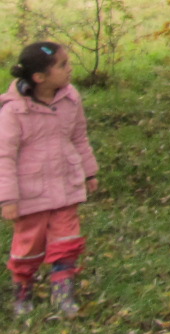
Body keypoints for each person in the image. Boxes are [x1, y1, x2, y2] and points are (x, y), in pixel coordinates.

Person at [1, 42, 99, 318]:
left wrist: (89, 172)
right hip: (30, 193)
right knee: (28, 247)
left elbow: (79, 136)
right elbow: (4, 156)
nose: (70, 69)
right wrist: (7, 198)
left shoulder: (70, 99)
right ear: (39, 78)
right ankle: (23, 290)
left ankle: (63, 292)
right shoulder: (13, 111)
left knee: (67, 241)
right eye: (62, 65)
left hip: (65, 185)